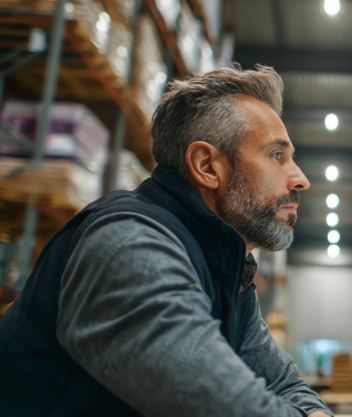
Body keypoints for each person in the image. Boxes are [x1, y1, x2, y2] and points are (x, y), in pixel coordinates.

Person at [0, 65, 333, 417]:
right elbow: (211, 401)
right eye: (277, 156)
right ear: (206, 166)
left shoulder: (228, 273)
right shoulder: (129, 241)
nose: (301, 179)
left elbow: (284, 385)